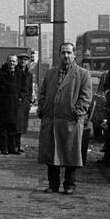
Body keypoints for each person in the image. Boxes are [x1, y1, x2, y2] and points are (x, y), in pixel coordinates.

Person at [37, 42, 92, 193]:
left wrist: (77, 112)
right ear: (59, 55)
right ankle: (53, 185)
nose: (66, 56)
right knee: (51, 154)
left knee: (70, 154)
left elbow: (86, 97)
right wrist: (42, 109)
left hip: (71, 121)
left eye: (69, 52)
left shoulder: (83, 74)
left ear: (74, 54)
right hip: (52, 120)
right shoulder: (50, 73)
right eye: (63, 53)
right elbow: (42, 93)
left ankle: (69, 185)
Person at [0, 53, 20, 154]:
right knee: (2, 129)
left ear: (16, 63)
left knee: (13, 128)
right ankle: (4, 149)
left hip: (14, 105)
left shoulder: (19, 74)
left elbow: (23, 89)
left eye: (14, 61)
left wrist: (21, 99)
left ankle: (12, 148)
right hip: (2, 105)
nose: (12, 63)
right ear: (7, 61)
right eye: (10, 61)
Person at [14, 53, 34, 151]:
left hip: (25, 102)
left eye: (25, 60)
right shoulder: (15, 71)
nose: (23, 61)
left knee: (21, 125)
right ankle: (14, 145)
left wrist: (29, 100)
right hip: (16, 101)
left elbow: (30, 88)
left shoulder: (29, 73)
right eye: (21, 59)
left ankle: (18, 145)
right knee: (15, 125)